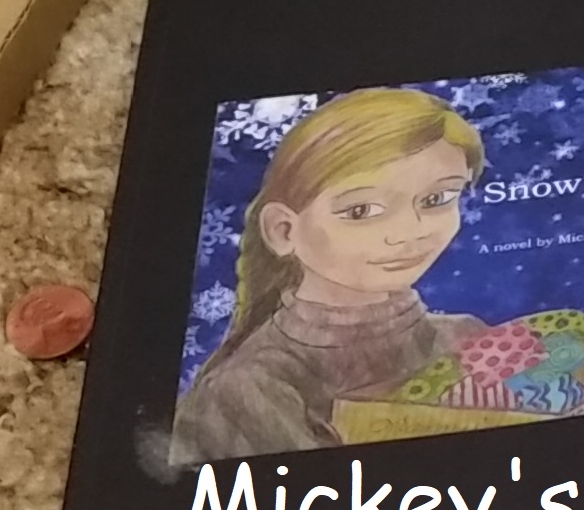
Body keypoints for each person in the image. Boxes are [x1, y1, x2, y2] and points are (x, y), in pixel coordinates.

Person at [171, 89, 489, 465]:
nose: (410, 232)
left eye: (437, 200)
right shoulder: (249, 388)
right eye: (361, 210)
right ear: (283, 230)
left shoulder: (468, 338)